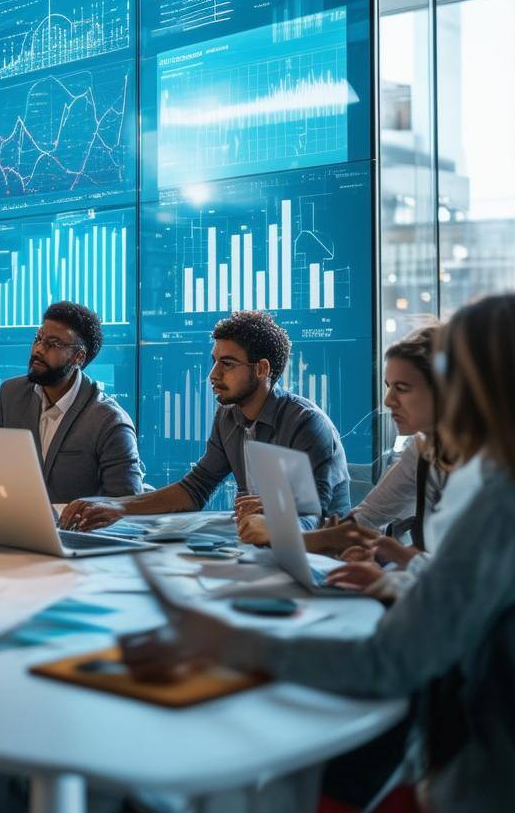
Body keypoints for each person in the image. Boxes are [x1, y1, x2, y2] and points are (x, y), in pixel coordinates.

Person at [120, 293, 515, 813]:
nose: (392, 400)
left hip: (464, 770)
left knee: (249, 753)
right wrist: (402, 579)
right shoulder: (486, 481)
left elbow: (387, 663)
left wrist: (223, 641)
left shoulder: (494, 500)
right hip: (451, 724)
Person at [61, 310, 350, 531]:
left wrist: (275, 515)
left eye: (227, 364)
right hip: (256, 547)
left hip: (319, 559)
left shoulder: (306, 424)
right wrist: (117, 507)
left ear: (262, 369)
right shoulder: (229, 417)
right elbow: (195, 489)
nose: (213, 375)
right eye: (214, 361)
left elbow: (314, 516)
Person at [244, 324, 451, 560]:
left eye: (402, 388)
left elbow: (461, 570)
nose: (388, 401)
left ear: (446, 391)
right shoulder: (422, 449)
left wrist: (279, 534)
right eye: (388, 387)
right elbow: (367, 518)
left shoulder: (482, 465)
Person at [0, 301, 143, 503]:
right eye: (38, 338)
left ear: (78, 357)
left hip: (78, 532)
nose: (39, 349)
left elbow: (126, 506)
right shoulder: (10, 394)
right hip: (12, 523)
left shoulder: (109, 422)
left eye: (53, 343)